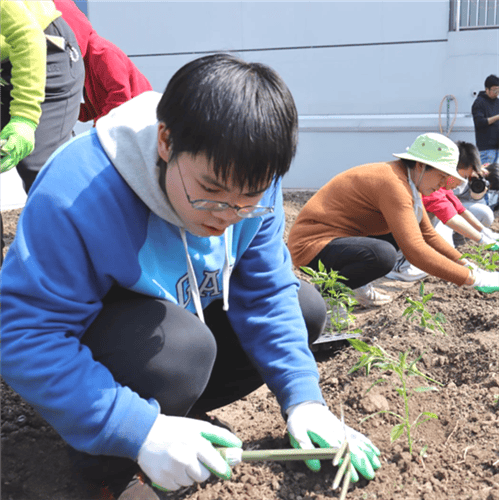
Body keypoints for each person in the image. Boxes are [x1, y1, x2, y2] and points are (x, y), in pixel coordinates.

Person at [1, 53, 381, 499]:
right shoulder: (80, 191)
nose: (228, 216)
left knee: (304, 306)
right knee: (183, 351)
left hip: (167, 333)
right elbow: (22, 334)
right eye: (211, 192)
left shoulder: (252, 178)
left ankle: (172, 422)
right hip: (93, 351)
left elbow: (266, 292)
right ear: (166, 142)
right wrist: (138, 431)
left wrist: (304, 399)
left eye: (249, 199)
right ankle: (109, 464)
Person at [288, 132, 499, 298]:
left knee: (397, 233)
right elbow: (416, 250)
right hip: (311, 247)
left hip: (338, 240)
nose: (443, 184)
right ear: (421, 165)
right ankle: (328, 296)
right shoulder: (394, 185)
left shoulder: (408, 182)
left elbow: (428, 235)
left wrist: (466, 264)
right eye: (442, 176)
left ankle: (356, 286)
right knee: (383, 256)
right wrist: (472, 279)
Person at [0, 0, 84, 265]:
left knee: (43, 172)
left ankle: (81, 274)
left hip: (42, 49)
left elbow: (26, 36)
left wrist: (24, 118)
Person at [53, 0, 153, 124]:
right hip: (128, 123)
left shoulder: (102, 53)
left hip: (140, 122)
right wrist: (67, 109)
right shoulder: (85, 61)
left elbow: (121, 97)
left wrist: (98, 127)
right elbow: (95, 108)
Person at [472, 74, 499, 165]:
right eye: (494, 90)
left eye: (498, 90)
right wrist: (497, 117)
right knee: (485, 176)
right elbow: (480, 122)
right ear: (487, 89)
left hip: (496, 148)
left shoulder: (497, 102)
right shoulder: (479, 103)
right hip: (486, 149)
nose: (497, 93)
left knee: (494, 177)